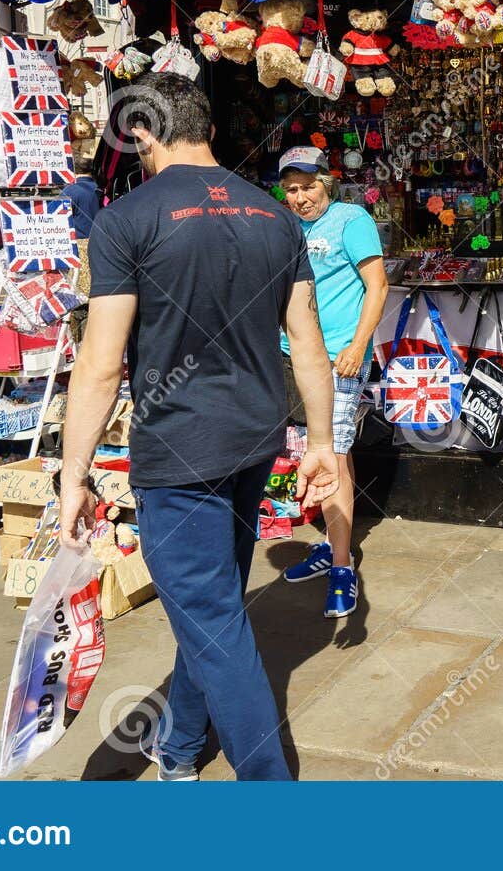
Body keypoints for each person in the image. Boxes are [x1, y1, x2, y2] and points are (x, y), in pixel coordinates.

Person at [58, 73, 339, 782]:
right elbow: (307, 342)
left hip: (180, 451)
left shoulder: (126, 219)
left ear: (146, 133)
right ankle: (180, 746)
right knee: (208, 605)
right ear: (206, 126)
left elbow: (99, 363)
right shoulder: (275, 216)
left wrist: (72, 474)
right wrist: (323, 440)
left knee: (212, 619)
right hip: (253, 438)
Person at [275, 148, 387, 619]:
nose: (301, 197)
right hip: (293, 356)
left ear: (328, 182)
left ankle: (343, 567)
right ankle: (329, 543)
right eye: (292, 189)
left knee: (334, 451)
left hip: (340, 357)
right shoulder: (285, 227)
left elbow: (377, 285)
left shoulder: (350, 219)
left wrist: (359, 346)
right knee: (313, 452)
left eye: (309, 186)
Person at [61, 153, 101, 239]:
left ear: (73, 170)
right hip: (100, 241)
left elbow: (62, 217)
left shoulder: (69, 191)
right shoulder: (102, 189)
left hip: (79, 242)